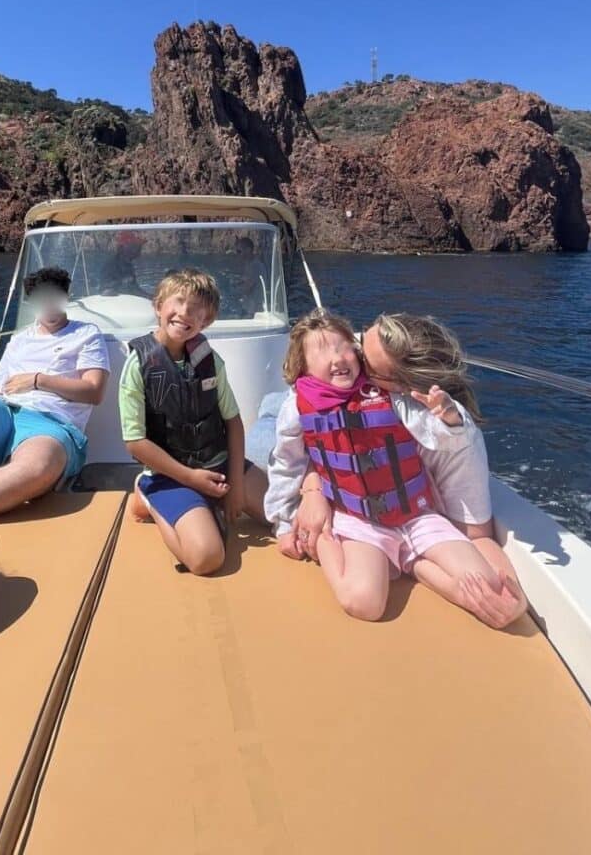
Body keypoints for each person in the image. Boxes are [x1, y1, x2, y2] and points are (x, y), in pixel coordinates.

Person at [265, 309, 526, 627]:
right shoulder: (296, 405)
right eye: (322, 350)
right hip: (359, 519)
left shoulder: (392, 395)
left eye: (345, 346)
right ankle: (325, 541)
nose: (340, 357)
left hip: (416, 514)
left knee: (489, 586)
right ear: (302, 365)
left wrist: (448, 420)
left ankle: (410, 560)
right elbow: (286, 462)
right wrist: (287, 520)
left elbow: (436, 434)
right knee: (363, 602)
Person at [119, 268, 266, 575]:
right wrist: (190, 478)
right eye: (178, 301)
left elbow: (234, 422)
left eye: (196, 309)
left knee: (281, 515)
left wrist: (236, 486)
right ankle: (148, 496)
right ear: (159, 306)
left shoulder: (211, 361)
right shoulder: (138, 365)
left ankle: (206, 500)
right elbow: (135, 442)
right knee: (206, 558)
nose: (185, 312)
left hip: (219, 464)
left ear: (206, 321)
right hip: (170, 473)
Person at [0, 267, 110, 516]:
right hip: (4, 409)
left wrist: (38, 380)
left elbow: (93, 391)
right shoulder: (20, 340)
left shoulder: (86, 334)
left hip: (49, 421)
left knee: (37, 467)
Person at [99, 230, 150, 297]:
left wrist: (151, 297)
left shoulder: (128, 265)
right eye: (136, 246)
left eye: (139, 246)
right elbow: (105, 290)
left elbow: (135, 289)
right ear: (124, 247)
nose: (139, 249)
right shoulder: (111, 265)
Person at [236, 237, 267, 317]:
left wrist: (234, 289)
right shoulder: (249, 264)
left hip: (253, 311)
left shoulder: (255, 266)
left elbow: (247, 288)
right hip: (248, 307)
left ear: (248, 250)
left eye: (239, 251)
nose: (238, 254)